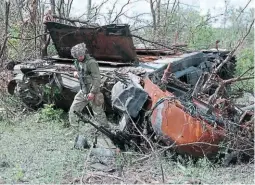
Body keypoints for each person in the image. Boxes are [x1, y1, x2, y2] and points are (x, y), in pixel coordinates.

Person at [69, 43, 109, 138]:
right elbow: (83, 73)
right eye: (77, 56)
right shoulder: (77, 62)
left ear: (84, 53)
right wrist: (76, 73)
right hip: (83, 91)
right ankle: (75, 130)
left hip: (93, 92)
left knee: (98, 113)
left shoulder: (91, 62)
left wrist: (92, 92)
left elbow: (97, 78)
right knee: (73, 110)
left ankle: (106, 131)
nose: (80, 57)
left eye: (81, 55)